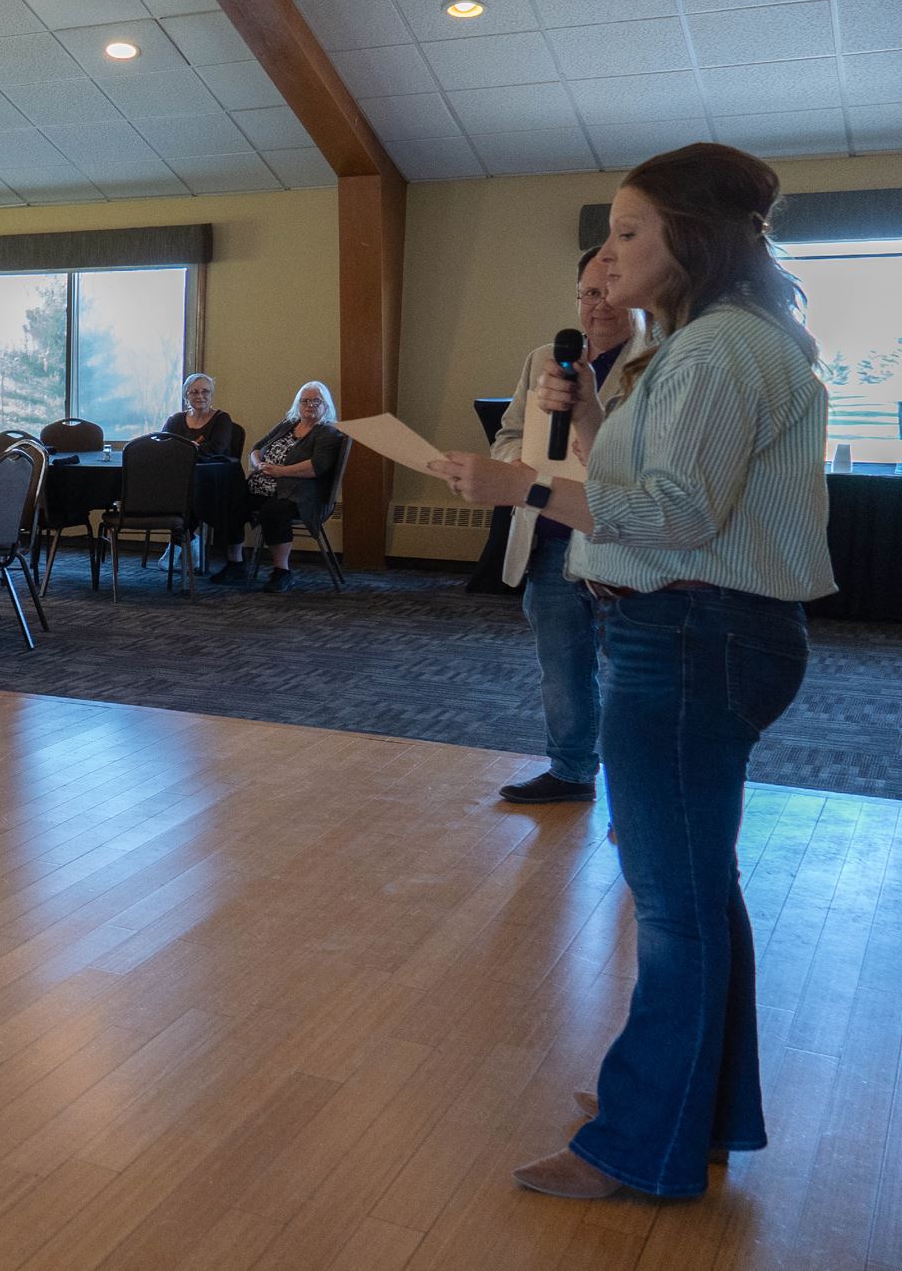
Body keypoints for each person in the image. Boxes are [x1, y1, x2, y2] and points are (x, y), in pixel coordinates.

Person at [432, 144, 832, 1203]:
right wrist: (591, 409)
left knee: (671, 904)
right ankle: (693, 1108)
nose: (605, 258)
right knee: (695, 888)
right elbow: (642, 478)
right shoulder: (705, 344)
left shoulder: (711, 354)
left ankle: (640, 1142)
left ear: (691, 240)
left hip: (692, 634)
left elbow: (669, 516)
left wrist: (516, 483)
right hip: (701, 629)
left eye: (626, 233)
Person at [489, 246, 645, 806]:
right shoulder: (543, 360)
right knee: (562, 669)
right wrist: (514, 464)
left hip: (619, 543)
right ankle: (572, 771)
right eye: (588, 294)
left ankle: (637, 788)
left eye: (610, 293)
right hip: (550, 537)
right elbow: (508, 432)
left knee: (634, 672)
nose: (599, 306)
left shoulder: (659, 359)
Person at [244, 382, 346, 594]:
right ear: (298, 404)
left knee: (273, 512)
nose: (310, 405)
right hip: (265, 485)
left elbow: (316, 467)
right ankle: (234, 564)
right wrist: (258, 464)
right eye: (305, 401)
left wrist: (281, 471)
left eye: (316, 401)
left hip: (303, 494)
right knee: (231, 499)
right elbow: (256, 449)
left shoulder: (328, 432)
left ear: (326, 405)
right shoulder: (287, 424)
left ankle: (282, 572)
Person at [162, 374, 253, 581]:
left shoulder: (222, 419)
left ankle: (191, 540)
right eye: (194, 392)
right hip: (179, 478)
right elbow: (164, 447)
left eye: (205, 391)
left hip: (217, 482)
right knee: (169, 490)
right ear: (186, 395)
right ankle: (187, 537)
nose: (200, 396)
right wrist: (192, 448)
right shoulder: (175, 420)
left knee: (219, 497)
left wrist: (184, 448)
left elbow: (216, 448)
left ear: (211, 395)